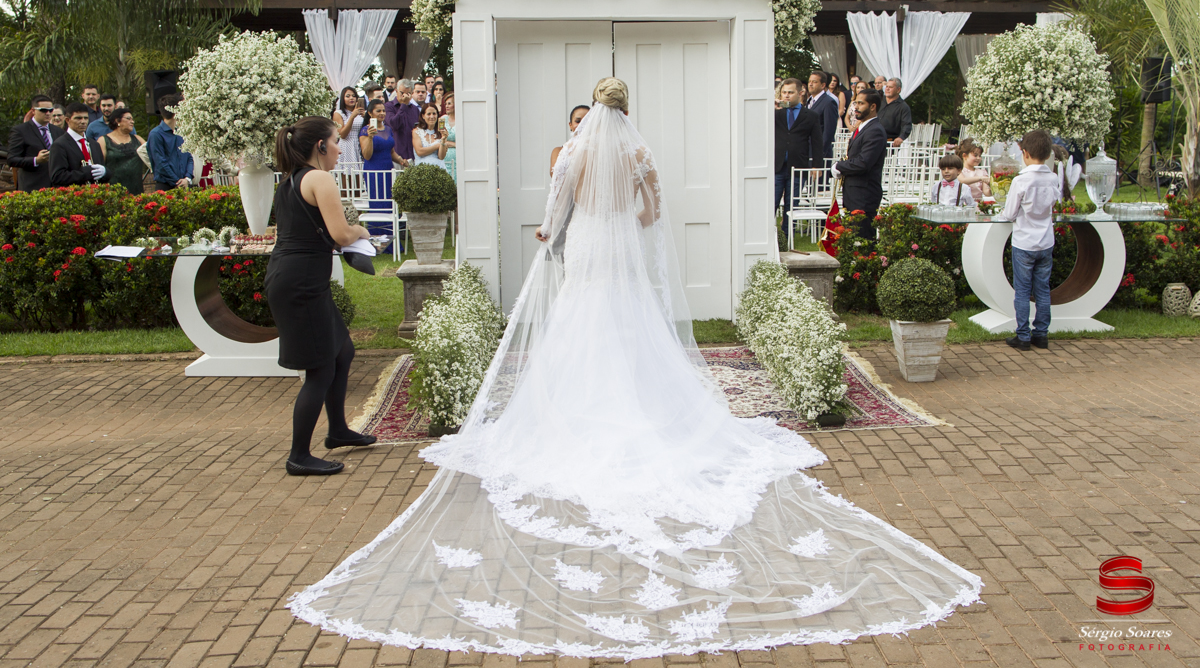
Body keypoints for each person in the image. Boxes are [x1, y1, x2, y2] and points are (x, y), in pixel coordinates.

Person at [289, 76, 981, 654]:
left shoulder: (575, 154)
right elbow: (653, 210)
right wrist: (635, 217)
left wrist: (550, 230)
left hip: (590, 243)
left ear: (594, 109)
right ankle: (639, 404)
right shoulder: (639, 152)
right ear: (628, 110)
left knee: (581, 321)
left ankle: (582, 407)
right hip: (619, 239)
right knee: (629, 321)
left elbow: (557, 207)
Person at [265, 116, 376, 476]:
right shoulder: (319, 178)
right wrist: (361, 230)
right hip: (301, 283)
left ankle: (338, 430)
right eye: (335, 142)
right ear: (320, 146)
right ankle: (299, 455)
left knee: (342, 350)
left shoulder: (290, 181)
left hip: (295, 277)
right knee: (320, 368)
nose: (340, 149)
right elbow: (341, 234)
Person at [995, 129, 1059, 351]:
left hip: (1024, 242)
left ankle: (1023, 335)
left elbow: (1009, 213)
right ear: (1048, 154)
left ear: (1025, 153)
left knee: (1022, 291)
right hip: (1046, 241)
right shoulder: (1053, 178)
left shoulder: (1021, 180)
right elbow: (1053, 205)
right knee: (1042, 289)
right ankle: (1041, 334)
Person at [831, 89, 888, 240]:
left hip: (864, 193)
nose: (856, 107)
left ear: (873, 106)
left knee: (863, 238)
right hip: (854, 191)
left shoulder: (875, 130)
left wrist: (839, 166)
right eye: (855, 103)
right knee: (853, 236)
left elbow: (863, 162)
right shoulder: (863, 127)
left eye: (861, 103)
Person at [774, 78, 819, 235]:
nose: (786, 95)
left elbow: (817, 143)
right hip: (777, 165)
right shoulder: (775, 113)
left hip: (798, 165)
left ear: (800, 93)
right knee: (772, 202)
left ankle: (788, 236)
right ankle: (768, 236)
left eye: (790, 92)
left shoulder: (811, 116)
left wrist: (816, 166)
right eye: (784, 92)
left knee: (792, 204)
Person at [8, 95, 61, 191]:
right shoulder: (20, 131)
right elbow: (12, 159)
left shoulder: (58, 131)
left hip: (55, 187)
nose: (48, 113)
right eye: (43, 110)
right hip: (32, 187)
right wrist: (36, 160)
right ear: (33, 111)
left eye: (50, 110)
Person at [50, 103, 108, 187]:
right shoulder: (59, 145)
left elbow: (101, 170)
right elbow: (57, 177)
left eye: (86, 118)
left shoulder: (94, 144)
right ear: (67, 120)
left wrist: (105, 172)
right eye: (78, 118)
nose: (83, 122)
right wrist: (86, 173)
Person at [146, 94, 194, 190]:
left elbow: (189, 157)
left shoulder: (181, 132)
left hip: (185, 185)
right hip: (166, 187)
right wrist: (177, 181)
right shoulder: (156, 134)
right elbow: (160, 163)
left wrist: (187, 178)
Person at [96, 106, 147, 194]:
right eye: (128, 118)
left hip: (136, 189)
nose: (132, 122)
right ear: (117, 121)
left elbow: (152, 154)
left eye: (132, 119)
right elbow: (99, 166)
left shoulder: (138, 139)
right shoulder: (103, 140)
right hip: (112, 191)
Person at [806, 70, 838, 162]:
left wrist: (819, 152)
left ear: (823, 85)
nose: (810, 84)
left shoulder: (829, 102)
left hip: (820, 153)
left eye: (814, 82)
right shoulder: (809, 101)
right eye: (809, 81)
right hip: (808, 150)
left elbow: (829, 131)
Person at [384, 80, 418, 162]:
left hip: (413, 154)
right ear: (396, 91)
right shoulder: (388, 106)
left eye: (408, 93)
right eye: (402, 93)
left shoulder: (415, 109)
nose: (404, 96)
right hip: (396, 155)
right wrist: (403, 105)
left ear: (412, 93)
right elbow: (394, 124)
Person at [550, 104, 588, 176]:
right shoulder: (558, 151)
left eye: (586, 121)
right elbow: (555, 175)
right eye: (578, 121)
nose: (582, 124)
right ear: (570, 125)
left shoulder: (598, 150)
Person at [332, 86, 365, 166]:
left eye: (354, 96)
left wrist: (366, 117)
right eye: (348, 96)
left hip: (360, 144)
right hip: (347, 146)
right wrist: (352, 116)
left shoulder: (362, 113)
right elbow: (342, 135)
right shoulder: (338, 113)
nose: (351, 98)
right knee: (348, 171)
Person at [411, 103, 447, 170]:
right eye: (429, 114)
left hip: (439, 169)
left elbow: (441, 157)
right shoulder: (417, 131)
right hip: (422, 169)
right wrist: (437, 146)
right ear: (423, 116)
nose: (432, 116)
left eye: (434, 113)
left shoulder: (441, 132)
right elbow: (419, 151)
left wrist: (443, 140)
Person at [879, 78, 912, 146]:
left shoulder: (903, 107)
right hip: (873, 139)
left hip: (889, 143)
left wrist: (901, 137)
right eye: (886, 86)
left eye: (890, 87)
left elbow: (906, 124)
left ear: (898, 90)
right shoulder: (879, 101)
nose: (887, 89)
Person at [438, 92, 457, 183]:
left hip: (458, 157)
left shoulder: (462, 119)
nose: (447, 106)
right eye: (445, 104)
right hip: (445, 156)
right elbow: (440, 138)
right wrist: (454, 144)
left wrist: (450, 143)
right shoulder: (442, 120)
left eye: (449, 103)